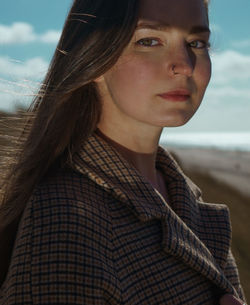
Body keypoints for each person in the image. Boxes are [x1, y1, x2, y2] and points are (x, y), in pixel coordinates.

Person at [0, 0, 246, 304]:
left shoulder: (181, 194)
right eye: (149, 41)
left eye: (196, 42)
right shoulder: (66, 220)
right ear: (94, 58)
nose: (184, 64)